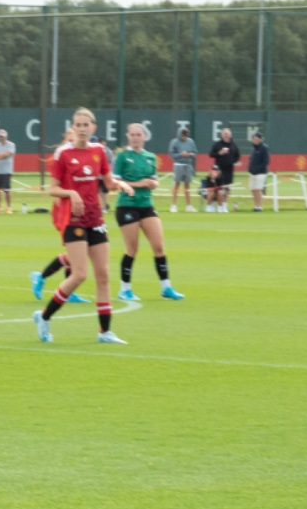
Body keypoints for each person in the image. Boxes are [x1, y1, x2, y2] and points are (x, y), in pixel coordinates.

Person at [34, 107, 129, 346]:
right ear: (73, 127)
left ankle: (105, 331)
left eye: (87, 125)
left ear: (93, 128)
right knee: (79, 274)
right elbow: (53, 188)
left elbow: (107, 182)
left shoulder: (99, 151)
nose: (83, 129)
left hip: (95, 218)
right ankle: (44, 317)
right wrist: (71, 193)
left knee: (104, 275)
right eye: (79, 124)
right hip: (73, 220)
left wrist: (121, 185)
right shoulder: (62, 154)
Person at [112, 122, 187, 303]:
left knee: (159, 246)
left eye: (139, 134)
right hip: (127, 204)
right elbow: (115, 183)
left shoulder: (150, 157)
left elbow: (154, 180)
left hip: (146, 205)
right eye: (132, 135)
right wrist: (139, 184)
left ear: (144, 137)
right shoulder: (122, 157)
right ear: (128, 136)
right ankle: (125, 289)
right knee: (132, 249)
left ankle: (166, 287)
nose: (136, 137)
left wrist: (153, 183)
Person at [207, 128, 241, 213]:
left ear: (230, 135)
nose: (226, 135)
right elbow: (211, 154)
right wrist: (220, 153)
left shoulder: (233, 145)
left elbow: (237, 156)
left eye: (227, 134)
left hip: (229, 169)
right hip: (218, 170)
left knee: (226, 188)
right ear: (222, 135)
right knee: (217, 188)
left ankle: (224, 206)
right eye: (224, 134)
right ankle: (215, 205)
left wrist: (234, 162)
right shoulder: (217, 144)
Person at [167, 127, 198, 213]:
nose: (184, 136)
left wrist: (190, 154)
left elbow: (195, 154)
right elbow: (171, 155)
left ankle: (188, 206)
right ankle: (173, 205)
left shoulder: (191, 142)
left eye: (186, 135)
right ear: (180, 134)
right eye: (183, 134)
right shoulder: (174, 142)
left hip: (188, 165)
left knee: (187, 186)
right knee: (176, 185)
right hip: (178, 165)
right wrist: (181, 155)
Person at [246, 132, 270, 212]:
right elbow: (251, 159)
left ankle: (259, 206)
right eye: (253, 139)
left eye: (256, 138)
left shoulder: (264, 148)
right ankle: (255, 205)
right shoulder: (253, 148)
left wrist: (258, 168)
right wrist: (250, 168)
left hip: (261, 172)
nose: (254, 140)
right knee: (253, 189)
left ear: (260, 139)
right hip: (253, 173)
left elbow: (266, 161)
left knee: (258, 189)